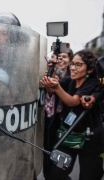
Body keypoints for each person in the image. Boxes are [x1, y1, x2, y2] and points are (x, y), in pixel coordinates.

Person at [40, 49, 104, 180]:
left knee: (89, 176)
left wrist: (57, 87)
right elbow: (51, 90)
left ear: (90, 70)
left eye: (78, 65)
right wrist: (51, 74)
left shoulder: (93, 83)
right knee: (56, 175)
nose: (73, 68)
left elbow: (73, 102)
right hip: (67, 136)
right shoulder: (69, 80)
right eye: (72, 64)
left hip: (91, 140)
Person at [43, 50, 74, 180]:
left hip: (67, 121)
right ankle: (49, 175)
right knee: (48, 150)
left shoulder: (74, 76)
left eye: (64, 57)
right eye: (58, 57)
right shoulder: (50, 71)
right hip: (50, 119)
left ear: (70, 60)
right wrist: (51, 71)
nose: (61, 59)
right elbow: (49, 90)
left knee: (62, 156)